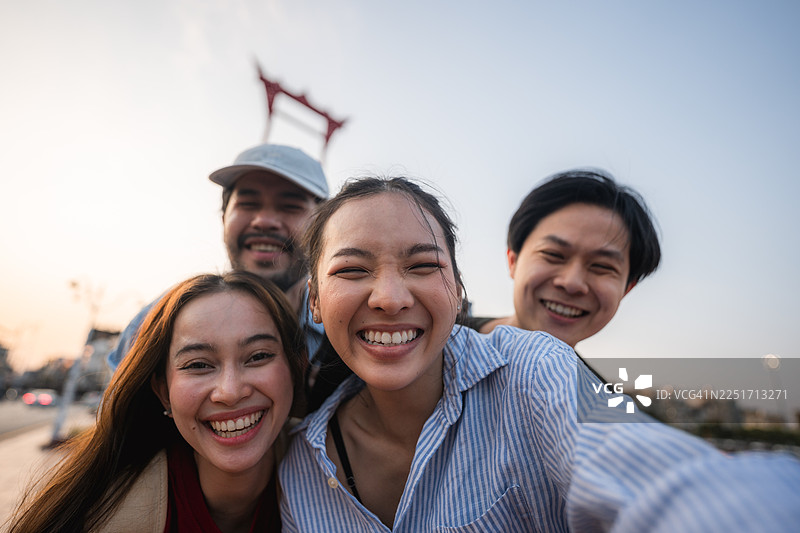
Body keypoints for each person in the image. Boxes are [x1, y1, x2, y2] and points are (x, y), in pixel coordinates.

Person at [278, 176, 800, 532]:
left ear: (458, 289)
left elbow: (661, 479)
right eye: (351, 270)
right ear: (315, 302)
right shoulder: (296, 464)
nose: (390, 297)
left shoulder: (538, 368)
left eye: (421, 265)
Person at [9, 272, 306, 533]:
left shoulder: (335, 471)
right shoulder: (97, 516)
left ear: (295, 368)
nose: (229, 391)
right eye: (198, 365)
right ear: (164, 392)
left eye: (258, 357)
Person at [107, 143, 328, 372]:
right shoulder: (156, 324)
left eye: (290, 206)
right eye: (248, 204)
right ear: (223, 217)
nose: (264, 220)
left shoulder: (346, 327)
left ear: (324, 229)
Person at [466, 169, 660, 349]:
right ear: (513, 261)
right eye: (553, 255)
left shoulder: (594, 387)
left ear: (626, 289)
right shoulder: (441, 343)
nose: (572, 283)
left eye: (601, 266)